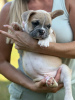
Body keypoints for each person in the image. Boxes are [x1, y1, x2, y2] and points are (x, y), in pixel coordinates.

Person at [0, 0, 75, 100]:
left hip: (65, 91)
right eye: (35, 23)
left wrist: (34, 46)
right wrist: (32, 86)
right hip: (26, 93)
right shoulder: (9, 8)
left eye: (47, 27)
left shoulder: (68, 2)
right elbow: (1, 62)